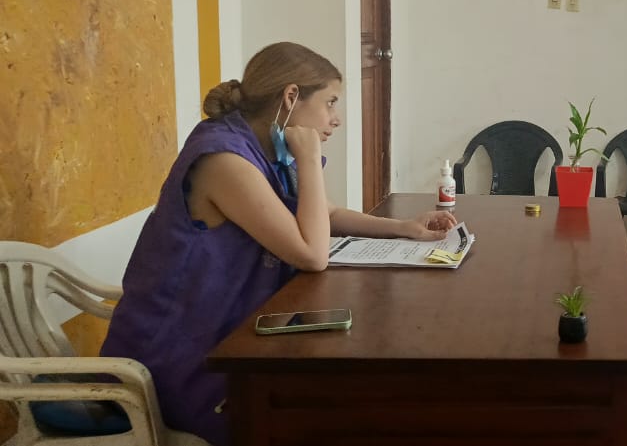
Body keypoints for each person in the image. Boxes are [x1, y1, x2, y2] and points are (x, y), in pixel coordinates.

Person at [100, 42, 457, 446]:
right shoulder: (223, 161)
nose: (336, 119)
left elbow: (324, 214)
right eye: (330, 103)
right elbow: (311, 255)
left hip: (230, 337)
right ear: (290, 97)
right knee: (315, 415)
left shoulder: (266, 149)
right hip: (180, 361)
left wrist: (403, 228)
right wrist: (310, 159)